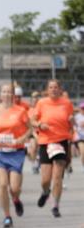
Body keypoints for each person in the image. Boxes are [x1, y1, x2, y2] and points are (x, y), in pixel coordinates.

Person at [0, 83, 31, 227]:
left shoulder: (20, 111)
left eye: (9, 92)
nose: (6, 94)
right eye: (4, 92)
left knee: (14, 188)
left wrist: (22, 139)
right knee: (3, 184)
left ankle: (16, 200)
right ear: (0, 95)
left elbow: (30, 129)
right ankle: (7, 216)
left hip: (16, 152)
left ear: (13, 95)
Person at [33, 79, 74, 217]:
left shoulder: (66, 103)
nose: (53, 89)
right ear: (47, 90)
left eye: (56, 87)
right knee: (45, 180)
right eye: (51, 87)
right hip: (45, 142)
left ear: (60, 89)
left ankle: (55, 205)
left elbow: (71, 122)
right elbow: (32, 120)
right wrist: (39, 125)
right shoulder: (41, 103)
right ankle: (45, 192)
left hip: (61, 141)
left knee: (57, 177)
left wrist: (71, 122)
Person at [74, 101, 84, 168]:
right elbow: (74, 127)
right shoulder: (77, 117)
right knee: (83, 152)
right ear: (80, 108)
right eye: (82, 108)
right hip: (80, 138)